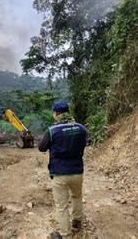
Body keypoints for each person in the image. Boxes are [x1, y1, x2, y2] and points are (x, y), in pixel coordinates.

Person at [38, 100, 88, 239]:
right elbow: (86, 142)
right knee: (77, 196)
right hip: (77, 171)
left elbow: (41, 147)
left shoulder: (52, 130)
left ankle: (66, 235)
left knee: (61, 206)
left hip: (59, 173)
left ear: (56, 113)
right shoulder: (81, 128)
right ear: (68, 112)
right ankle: (77, 222)